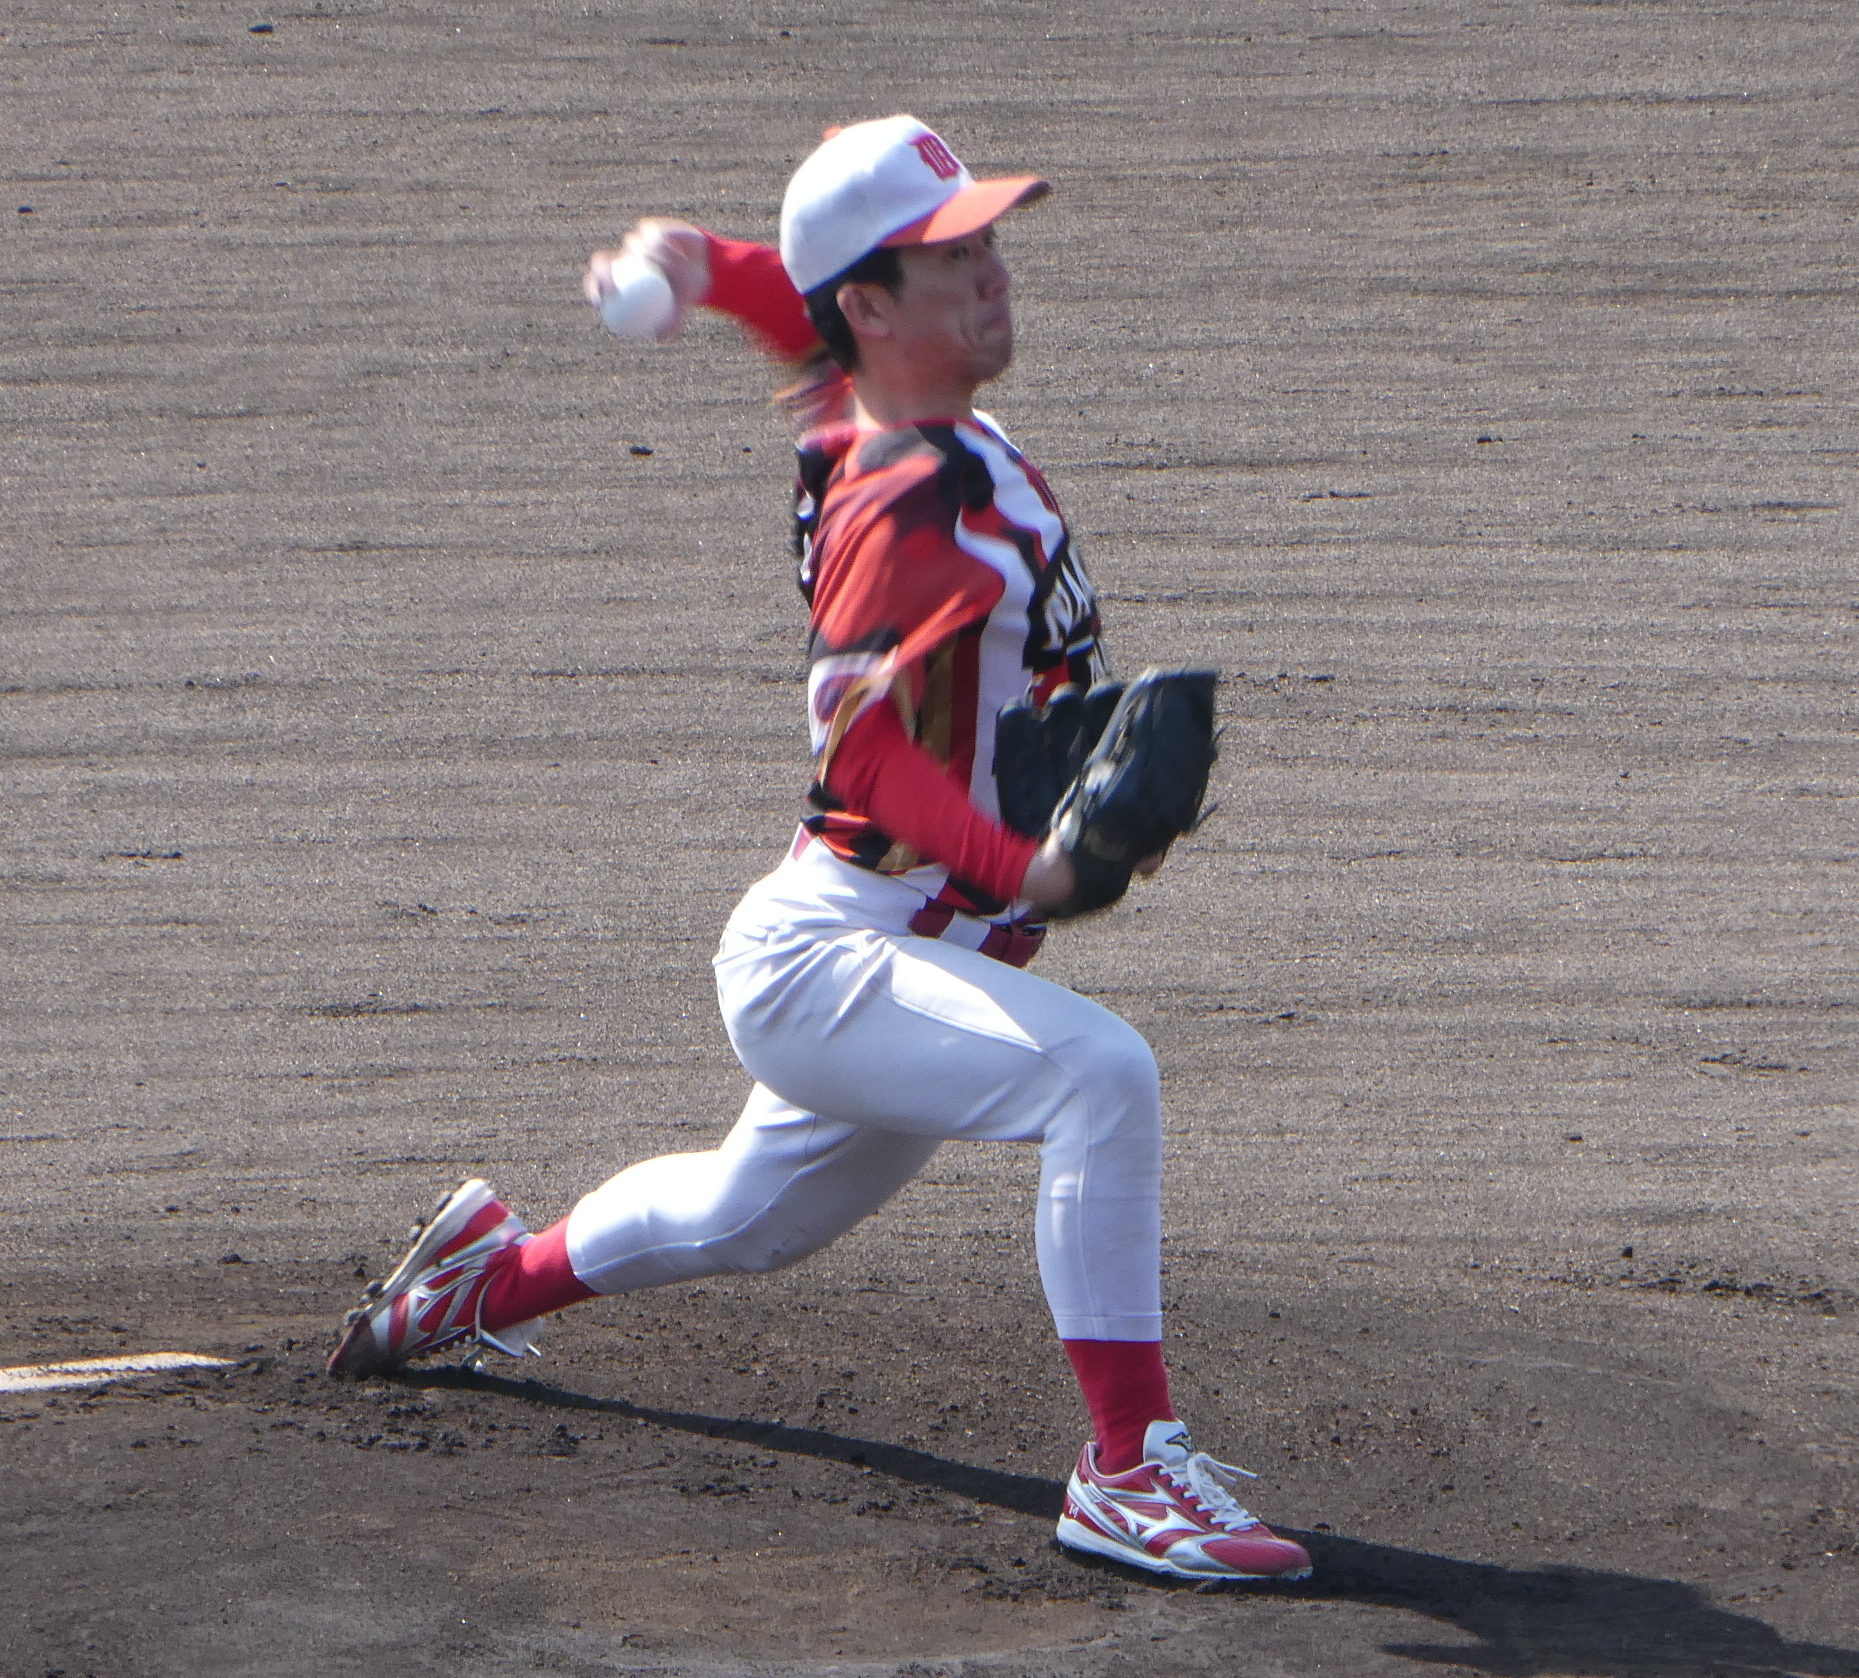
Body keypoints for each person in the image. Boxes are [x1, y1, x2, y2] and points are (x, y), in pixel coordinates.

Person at [326, 115, 1312, 1584]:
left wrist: (696, 262)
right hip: (837, 952)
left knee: (745, 1216)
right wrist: (1027, 864)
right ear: (874, 305)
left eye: (988, 240)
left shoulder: (883, 403)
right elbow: (863, 755)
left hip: (912, 944)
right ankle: (1127, 1469)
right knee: (1100, 1078)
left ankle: (478, 1282)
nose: (992, 272)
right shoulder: (899, 510)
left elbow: (794, 311)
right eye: (953, 256)